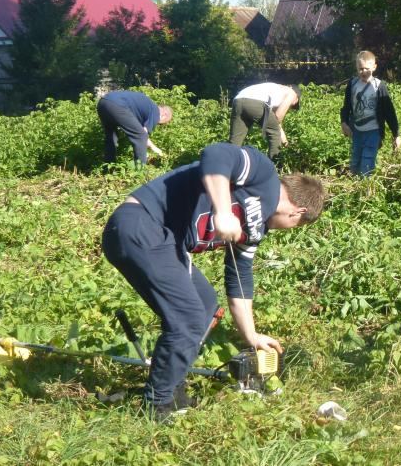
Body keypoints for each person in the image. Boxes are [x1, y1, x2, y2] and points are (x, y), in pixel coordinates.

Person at [101, 142, 325, 420]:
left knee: (206, 306)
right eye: (297, 226)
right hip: (140, 223)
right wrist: (222, 211)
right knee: (189, 317)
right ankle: (156, 406)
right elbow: (216, 154)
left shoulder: (256, 231)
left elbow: (239, 279)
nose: (289, 229)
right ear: (299, 212)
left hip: (165, 242)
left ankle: (172, 390)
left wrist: (251, 335)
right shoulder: (264, 174)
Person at [340, 51, 401, 176]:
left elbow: (389, 112)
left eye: (367, 69)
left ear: (374, 67)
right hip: (357, 131)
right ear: (357, 68)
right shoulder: (353, 84)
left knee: (367, 163)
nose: (364, 72)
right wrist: (344, 122)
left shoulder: (379, 86)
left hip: (374, 131)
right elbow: (346, 106)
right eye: (360, 69)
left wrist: (396, 134)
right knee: (355, 161)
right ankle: (355, 188)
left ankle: (365, 190)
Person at [96, 90, 172, 165]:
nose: (158, 124)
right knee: (140, 136)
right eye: (161, 124)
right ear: (164, 115)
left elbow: (140, 132)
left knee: (111, 137)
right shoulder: (156, 112)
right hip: (117, 105)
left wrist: (152, 147)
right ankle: (140, 172)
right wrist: (155, 149)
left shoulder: (147, 107)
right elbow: (142, 136)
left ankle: (108, 168)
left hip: (103, 103)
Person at [229, 82, 301, 160]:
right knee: (274, 133)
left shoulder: (278, 90)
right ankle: (275, 165)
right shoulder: (292, 94)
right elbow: (278, 117)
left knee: (235, 140)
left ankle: (226, 167)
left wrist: (285, 142)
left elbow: (275, 122)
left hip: (238, 99)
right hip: (255, 102)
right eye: (294, 105)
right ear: (297, 98)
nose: (292, 106)